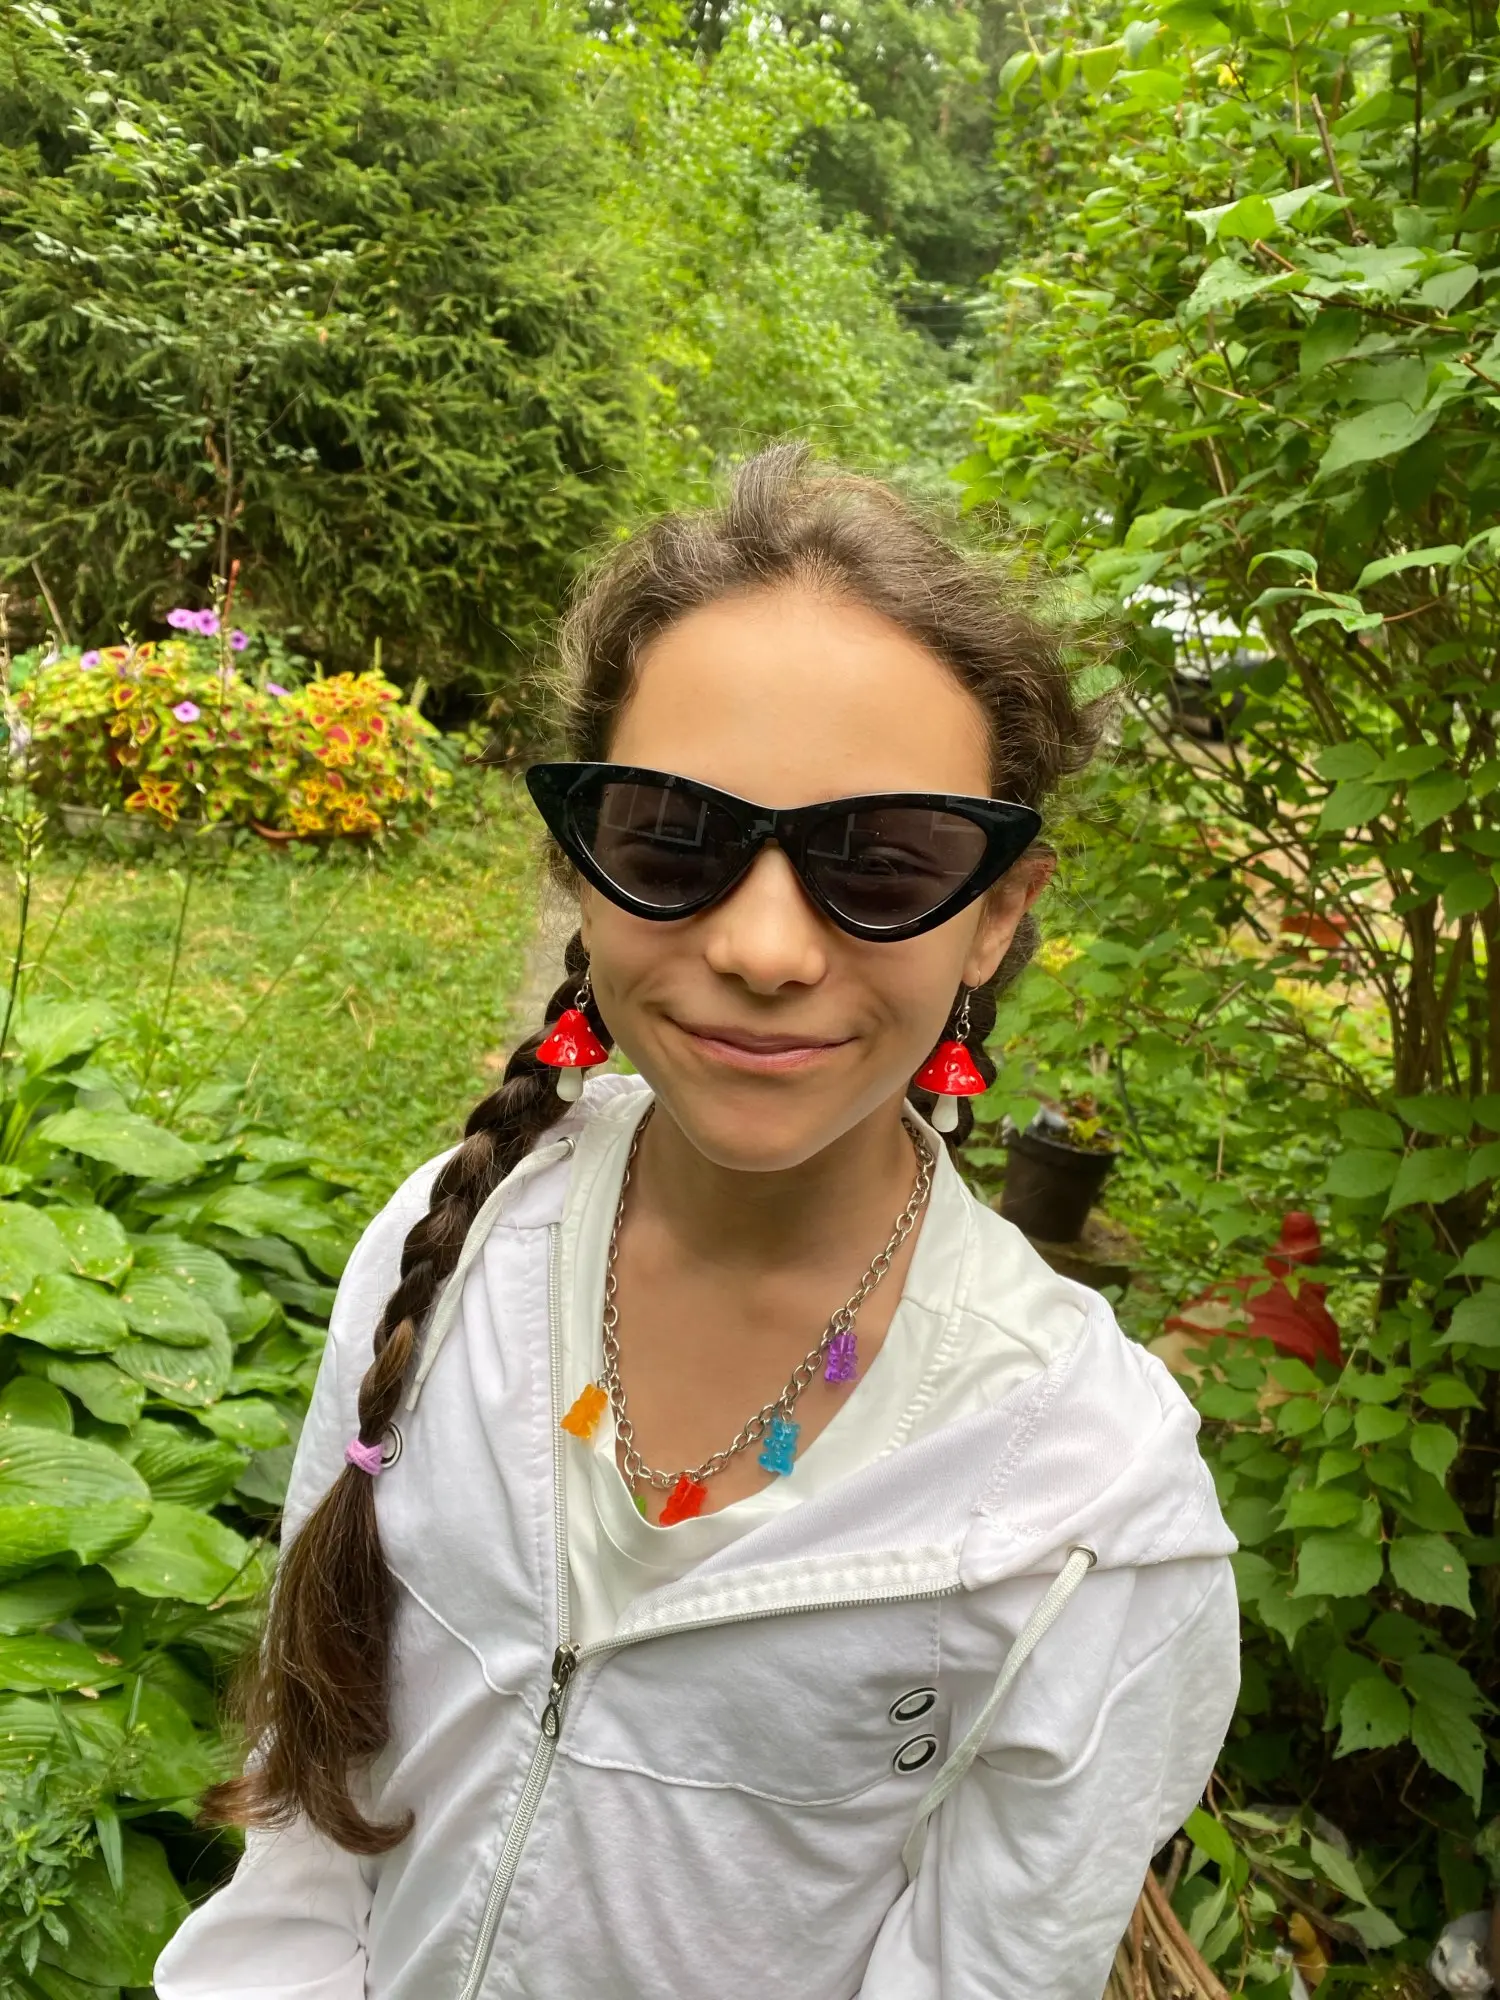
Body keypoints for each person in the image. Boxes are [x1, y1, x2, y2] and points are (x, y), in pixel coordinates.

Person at [155, 446, 1239, 2000]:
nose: (764, 946)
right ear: (581, 860)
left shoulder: (1089, 1507)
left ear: (998, 915)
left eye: (887, 864)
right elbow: (310, 1825)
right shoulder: (448, 1252)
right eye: (674, 836)